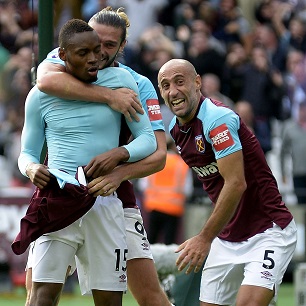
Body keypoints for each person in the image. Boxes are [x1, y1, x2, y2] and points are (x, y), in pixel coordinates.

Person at [26, 7, 172, 306]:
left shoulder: (137, 83)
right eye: (92, 43)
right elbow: (44, 81)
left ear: (122, 47)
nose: (97, 53)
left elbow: (157, 155)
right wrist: (108, 97)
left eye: (108, 45)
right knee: (36, 291)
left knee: (147, 294)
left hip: (114, 193)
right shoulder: (55, 67)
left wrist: (118, 172)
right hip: (60, 192)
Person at [157, 58, 297, 306]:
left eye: (180, 82)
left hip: (268, 230)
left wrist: (204, 238)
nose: (173, 91)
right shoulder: (176, 131)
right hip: (227, 237)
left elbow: (236, 184)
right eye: (165, 85)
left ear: (197, 82)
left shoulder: (217, 119)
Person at [139, 136, 193, 245]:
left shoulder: (153, 162)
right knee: (170, 243)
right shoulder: (181, 164)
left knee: (151, 241)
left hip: (153, 206)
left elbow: (142, 185)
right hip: (173, 208)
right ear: (173, 146)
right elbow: (188, 190)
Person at [280, 101, 306, 204]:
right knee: (301, 203)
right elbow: (283, 153)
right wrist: (283, 173)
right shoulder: (290, 128)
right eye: (302, 109)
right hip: (298, 172)